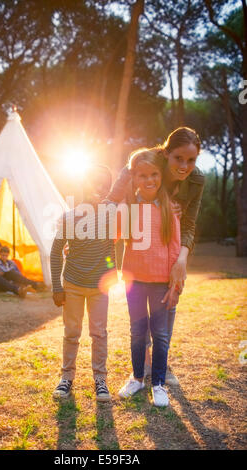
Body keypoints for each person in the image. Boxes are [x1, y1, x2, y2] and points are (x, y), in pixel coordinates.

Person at [109, 127, 204, 384]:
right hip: (141, 241)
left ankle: (161, 361)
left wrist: (181, 260)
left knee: (166, 311)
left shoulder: (197, 180)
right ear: (166, 153)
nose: (185, 166)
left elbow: (189, 224)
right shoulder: (150, 161)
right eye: (178, 159)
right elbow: (114, 196)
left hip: (171, 243)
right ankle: (146, 364)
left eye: (191, 160)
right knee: (140, 324)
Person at [117, 148, 181, 406]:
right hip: (134, 280)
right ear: (133, 177)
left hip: (160, 283)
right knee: (137, 332)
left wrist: (176, 285)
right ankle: (137, 378)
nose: (149, 180)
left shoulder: (169, 208)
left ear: (161, 176)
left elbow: (175, 248)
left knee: (161, 335)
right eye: (142, 175)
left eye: (154, 174)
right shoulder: (128, 207)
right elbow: (112, 234)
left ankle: (158, 384)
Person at [50, 165, 118, 402]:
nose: (99, 188)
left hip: (99, 287)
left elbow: (111, 247)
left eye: (105, 184)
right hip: (73, 285)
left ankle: (100, 379)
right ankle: (66, 377)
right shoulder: (70, 217)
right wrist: (57, 287)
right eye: (94, 182)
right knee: (72, 332)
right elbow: (55, 252)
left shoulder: (113, 213)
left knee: (99, 333)